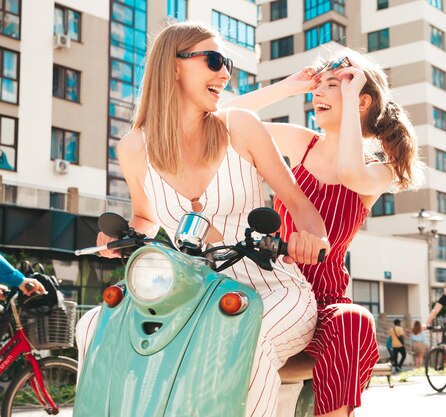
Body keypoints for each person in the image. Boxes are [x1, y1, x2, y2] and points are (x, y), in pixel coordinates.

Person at [76, 22, 331, 417]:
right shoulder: (134, 148)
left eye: (226, 63)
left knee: (245, 337)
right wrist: (122, 238)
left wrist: (311, 237)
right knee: (92, 326)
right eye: (213, 60)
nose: (225, 73)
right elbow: (145, 216)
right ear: (173, 66)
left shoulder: (240, 127)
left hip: (271, 289)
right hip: (188, 295)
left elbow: (297, 202)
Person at [227, 50, 423, 417]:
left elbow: (349, 172)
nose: (317, 94)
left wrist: (350, 96)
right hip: (268, 287)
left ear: (361, 99)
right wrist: (287, 87)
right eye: (317, 87)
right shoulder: (302, 143)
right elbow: (223, 122)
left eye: (331, 86)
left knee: (354, 322)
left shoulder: (380, 171)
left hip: (324, 302)